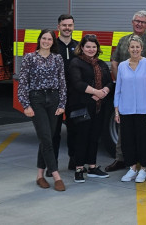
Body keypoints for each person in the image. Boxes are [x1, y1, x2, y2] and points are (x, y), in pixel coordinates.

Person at [107, 10, 146, 174]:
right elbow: (114, 62)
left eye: (143, 22)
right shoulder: (123, 40)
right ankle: (120, 158)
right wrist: (120, 82)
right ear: (132, 22)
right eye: (137, 21)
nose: (139, 24)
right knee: (124, 128)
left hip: (144, 95)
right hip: (126, 93)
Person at [17, 29, 67, 192]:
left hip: (53, 99)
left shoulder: (57, 58)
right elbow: (23, 82)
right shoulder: (29, 58)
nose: (46, 41)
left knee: (48, 138)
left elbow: (62, 82)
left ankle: (40, 175)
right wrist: (26, 105)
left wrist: (62, 104)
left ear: (53, 42)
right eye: (44, 38)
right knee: (46, 137)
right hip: (36, 100)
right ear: (39, 40)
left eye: (49, 39)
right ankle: (56, 176)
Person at [68, 34, 115, 183]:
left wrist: (104, 92)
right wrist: (96, 92)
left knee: (94, 137)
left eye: (94, 47)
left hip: (98, 107)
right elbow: (77, 83)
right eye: (88, 46)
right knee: (82, 138)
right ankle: (79, 169)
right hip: (82, 106)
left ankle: (93, 167)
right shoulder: (76, 62)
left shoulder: (101, 64)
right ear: (82, 47)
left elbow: (110, 82)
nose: (91, 49)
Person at [114, 35, 146, 183]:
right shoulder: (122, 66)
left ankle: (143, 169)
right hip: (126, 109)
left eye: (137, 47)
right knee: (128, 140)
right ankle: (132, 168)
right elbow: (118, 89)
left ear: (142, 49)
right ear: (128, 49)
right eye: (132, 47)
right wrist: (116, 110)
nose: (135, 49)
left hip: (143, 110)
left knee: (143, 140)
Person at [53, 14, 79, 171]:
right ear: (58, 27)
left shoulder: (78, 46)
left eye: (70, 25)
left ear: (73, 27)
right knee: (54, 131)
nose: (67, 28)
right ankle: (52, 164)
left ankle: (74, 160)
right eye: (64, 25)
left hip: (74, 95)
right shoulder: (51, 45)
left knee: (74, 128)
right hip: (55, 95)